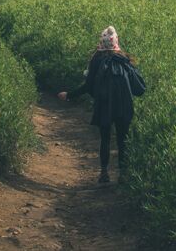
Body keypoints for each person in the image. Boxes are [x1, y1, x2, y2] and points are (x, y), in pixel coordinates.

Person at [57, 26, 146, 184]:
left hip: (104, 105)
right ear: (116, 42)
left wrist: (69, 95)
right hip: (124, 105)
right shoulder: (125, 60)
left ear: (101, 43)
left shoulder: (97, 60)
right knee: (122, 139)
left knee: (105, 139)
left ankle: (104, 173)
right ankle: (123, 175)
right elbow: (139, 88)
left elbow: (88, 86)